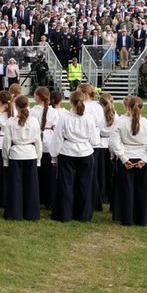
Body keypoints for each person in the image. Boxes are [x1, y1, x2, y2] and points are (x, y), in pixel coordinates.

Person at [110, 96, 147, 226]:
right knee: (142, 189)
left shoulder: (121, 123)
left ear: (128, 107)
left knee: (126, 189)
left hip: (127, 157)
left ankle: (127, 217)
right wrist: (144, 159)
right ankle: (142, 217)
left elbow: (114, 142)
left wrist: (123, 158)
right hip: (140, 158)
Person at [51, 89, 96, 223]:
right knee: (84, 184)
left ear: (70, 102)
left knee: (66, 184)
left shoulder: (65, 118)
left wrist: (54, 155)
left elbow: (57, 138)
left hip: (68, 152)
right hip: (84, 152)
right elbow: (94, 140)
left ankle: (65, 214)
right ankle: (83, 214)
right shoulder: (88, 119)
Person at [1, 94, 41, 221]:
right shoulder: (33, 121)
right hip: (30, 154)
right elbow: (38, 141)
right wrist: (38, 158)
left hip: (16, 154)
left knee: (15, 186)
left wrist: (5, 159)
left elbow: (6, 142)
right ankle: (31, 213)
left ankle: (14, 212)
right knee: (31, 186)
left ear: (16, 106)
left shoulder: (12, 122)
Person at [34, 87, 61, 208]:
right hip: (49, 142)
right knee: (50, 174)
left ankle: (38, 198)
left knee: (39, 173)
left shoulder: (33, 111)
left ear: (38, 97)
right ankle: (49, 200)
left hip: (39, 142)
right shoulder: (54, 112)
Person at [94, 92, 117, 210]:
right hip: (111, 145)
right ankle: (109, 195)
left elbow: (97, 128)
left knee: (100, 172)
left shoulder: (100, 115)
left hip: (101, 144)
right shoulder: (116, 115)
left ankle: (102, 195)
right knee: (110, 172)